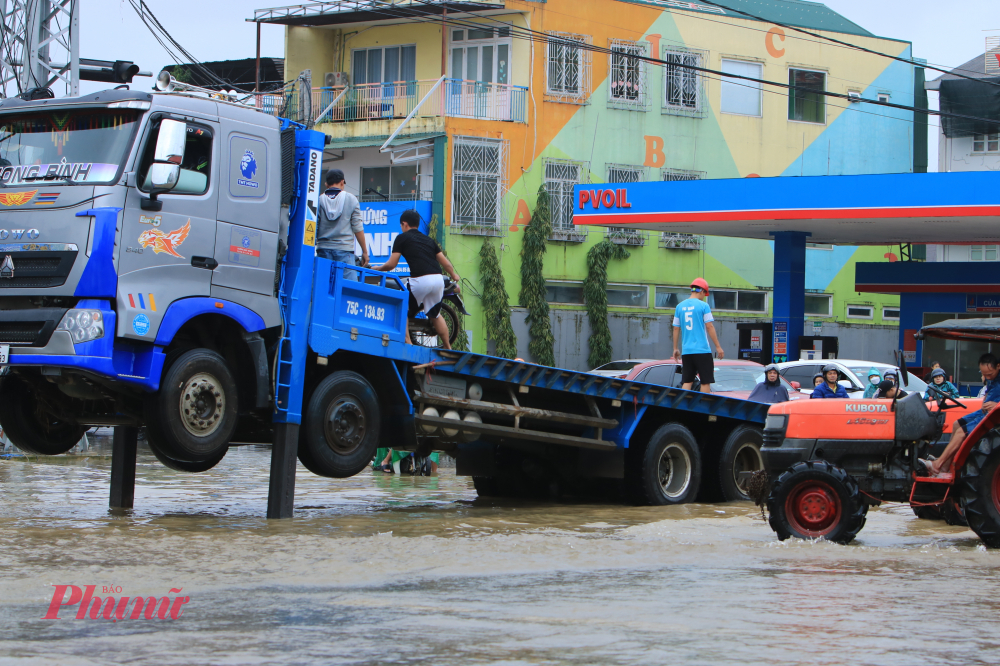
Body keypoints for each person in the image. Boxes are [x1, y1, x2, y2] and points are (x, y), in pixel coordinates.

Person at [373, 210, 461, 349]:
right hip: (438, 280)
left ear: (405, 224)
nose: (401, 228)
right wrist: (454, 275)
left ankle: (408, 344)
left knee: (402, 307)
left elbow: (391, 264)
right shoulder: (429, 240)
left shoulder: (402, 238)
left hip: (421, 281)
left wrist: (376, 268)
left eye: (401, 225)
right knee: (436, 315)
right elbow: (446, 263)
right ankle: (448, 347)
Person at [921, 353, 1000, 477]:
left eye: (989, 374)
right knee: (956, 424)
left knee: (961, 432)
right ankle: (945, 466)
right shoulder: (991, 378)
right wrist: (985, 400)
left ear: (998, 367)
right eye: (984, 375)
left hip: (995, 415)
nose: (987, 377)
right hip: (985, 411)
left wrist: (997, 405)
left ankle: (937, 465)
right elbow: (989, 391)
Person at [672, 278, 724, 393]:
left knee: (687, 381)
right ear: (701, 291)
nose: (704, 296)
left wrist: (675, 348)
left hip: (687, 351)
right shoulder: (703, 306)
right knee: (705, 381)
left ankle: (683, 406)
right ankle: (704, 407)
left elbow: (676, 328)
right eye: (705, 294)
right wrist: (718, 346)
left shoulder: (679, 307)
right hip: (702, 350)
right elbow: (709, 326)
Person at [317, 168, 368, 281]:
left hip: (323, 251)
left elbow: (314, 227)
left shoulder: (318, 200)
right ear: (342, 182)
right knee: (347, 290)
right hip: (344, 252)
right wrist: (364, 251)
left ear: (326, 184)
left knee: (323, 287)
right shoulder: (351, 199)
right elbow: (357, 227)